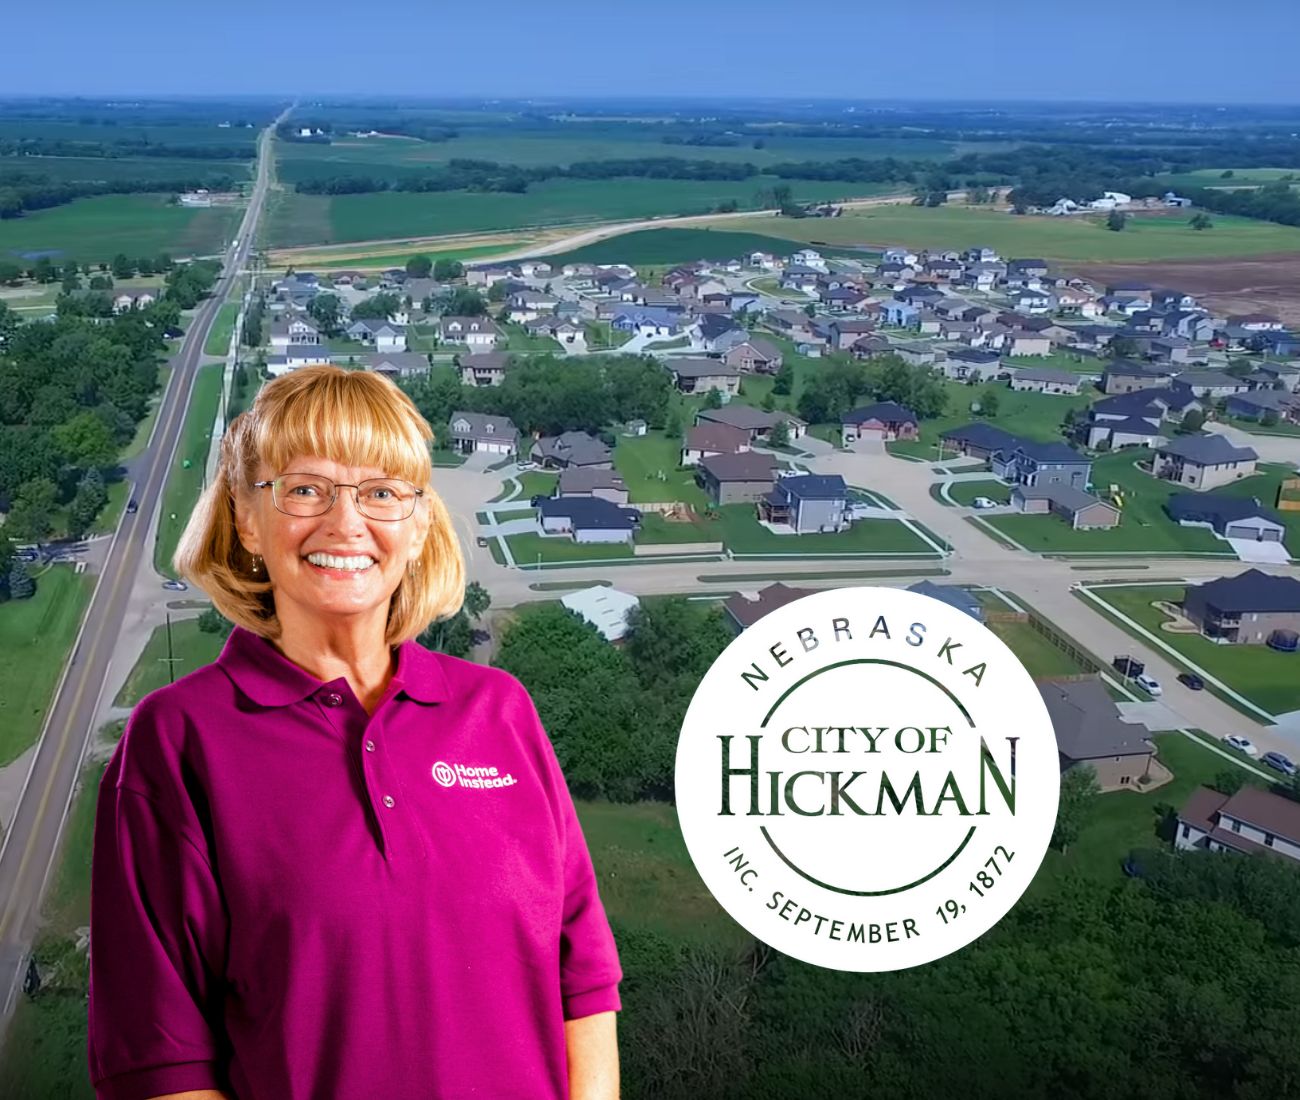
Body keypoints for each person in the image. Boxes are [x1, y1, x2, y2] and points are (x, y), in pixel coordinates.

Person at [87, 365, 622, 1100]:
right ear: (246, 515)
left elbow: (584, 980)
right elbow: (157, 1060)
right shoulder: (180, 740)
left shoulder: (498, 710)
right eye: (305, 489)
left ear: (418, 521)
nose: (346, 525)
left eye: (380, 493)